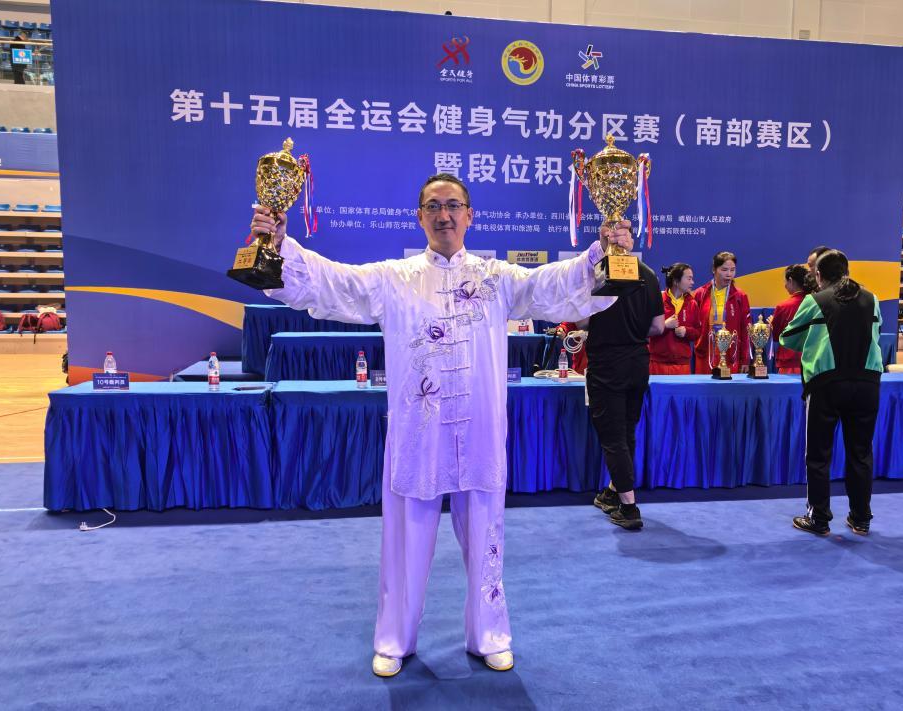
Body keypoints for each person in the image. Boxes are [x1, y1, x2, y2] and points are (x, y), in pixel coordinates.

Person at [250, 173, 628, 677]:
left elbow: (551, 287)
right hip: (418, 431)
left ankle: (489, 634)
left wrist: (601, 255)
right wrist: (278, 247)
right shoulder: (393, 278)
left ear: (470, 215)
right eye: (433, 206)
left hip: (480, 431)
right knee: (404, 541)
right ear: (419, 216)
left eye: (453, 205)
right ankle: (394, 639)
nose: (443, 215)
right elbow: (334, 283)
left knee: (487, 537)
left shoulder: (497, 278)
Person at [779, 250, 883, 537]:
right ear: (847, 271)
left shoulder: (815, 300)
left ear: (818, 275)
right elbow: (876, 334)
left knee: (818, 454)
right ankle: (861, 518)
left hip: (827, 384)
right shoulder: (872, 298)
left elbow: (788, 337)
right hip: (867, 383)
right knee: (861, 452)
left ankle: (819, 518)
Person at [588, 251, 665, 530]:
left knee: (613, 437)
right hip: (638, 361)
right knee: (626, 431)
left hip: (607, 363)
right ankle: (613, 491)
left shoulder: (596, 272)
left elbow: (582, 322)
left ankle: (629, 507)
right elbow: (658, 326)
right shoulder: (649, 274)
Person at [693, 251, 751, 375]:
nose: (729, 274)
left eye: (732, 270)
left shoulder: (740, 296)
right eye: (724, 270)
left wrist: (745, 359)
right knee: (705, 386)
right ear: (714, 269)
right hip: (706, 354)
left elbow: (746, 330)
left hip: (730, 355)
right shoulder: (700, 294)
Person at [649, 262, 699, 375]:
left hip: (682, 365)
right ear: (676, 281)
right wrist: (664, 325)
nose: (692, 282)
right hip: (657, 364)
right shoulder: (658, 300)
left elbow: (698, 332)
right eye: (689, 278)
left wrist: (686, 331)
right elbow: (645, 330)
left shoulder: (692, 303)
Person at [769, 264, 811, 375]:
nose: (785, 285)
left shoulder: (783, 307)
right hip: (812, 361)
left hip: (789, 363)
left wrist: (771, 324)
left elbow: (776, 336)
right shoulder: (816, 303)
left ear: (791, 280)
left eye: (785, 281)